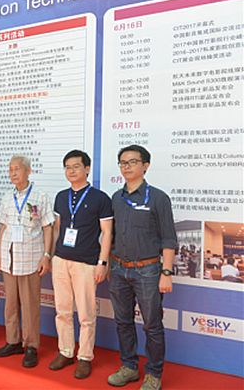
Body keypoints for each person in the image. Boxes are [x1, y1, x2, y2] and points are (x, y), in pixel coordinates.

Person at [108, 145, 178, 390]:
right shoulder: (116, 198)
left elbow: (169, 238)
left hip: (148, 271)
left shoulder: (158, 198)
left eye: (132, 162)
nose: (126, 166)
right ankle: (128, 366)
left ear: (145, 165)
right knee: (123, 321)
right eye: (123, 162)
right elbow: (111, 235)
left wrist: (166, 273)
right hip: (118, 269)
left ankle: (153, 374)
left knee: (152, 325)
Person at [48, 150, 113, 379]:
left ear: (87, 168)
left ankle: (85, 356)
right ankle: (65, 351)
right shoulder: (60, 196)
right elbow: (57, 228)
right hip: (61, 260)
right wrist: (51, 255)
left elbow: (107, 233)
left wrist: (102, 262)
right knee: (62, 311)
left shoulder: (100, 198)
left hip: (86, 262)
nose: (71, 171)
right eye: (67, 167)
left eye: (76, 166)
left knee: (86, 314)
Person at [0, 155, 54, 368]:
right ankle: (13, 341)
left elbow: (48, 227)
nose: (13, 173)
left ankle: (31, 346)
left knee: (30, 305)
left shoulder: (40, 196)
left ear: (29, 171)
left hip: (30, 258)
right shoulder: (7, 197)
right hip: (9, 258)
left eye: (17, 169)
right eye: (10, 169)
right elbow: (3, 226)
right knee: (10, 304)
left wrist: (46, 256)